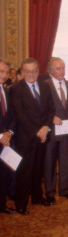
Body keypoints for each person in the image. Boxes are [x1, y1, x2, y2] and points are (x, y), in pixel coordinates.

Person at [11, 58, 55, 214]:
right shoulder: (16, 88)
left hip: (43, 135)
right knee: (25, 171)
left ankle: (37, 197)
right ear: (22, 72)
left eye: (33, 70)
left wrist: (46, 127)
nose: (30, 74)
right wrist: (38, 131)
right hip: (26, 137)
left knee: (38, 169)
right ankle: (21, 203)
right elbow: (20, 115)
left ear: (38, 71)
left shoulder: (45, 86)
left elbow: (51, 109)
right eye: (27, 71)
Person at [44, 57, 68, 205]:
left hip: (66, 131)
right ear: (50, 70)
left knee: (64, 161)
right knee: (49, 162)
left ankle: (64, 190)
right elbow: (40, 109)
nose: (62, 71)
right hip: (51, 132)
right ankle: (50, 192)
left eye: (63, 68)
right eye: (58, 68)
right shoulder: (44, 85)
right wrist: (51, 118)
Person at [0, 59, 16, 214]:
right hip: (1, 139)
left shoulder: (6, 91)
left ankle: (2, 204)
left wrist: (9, 133)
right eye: (1, 71)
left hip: (6, 141)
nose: (4, 75)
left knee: (4, 174)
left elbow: (12, 116)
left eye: (6, 72)